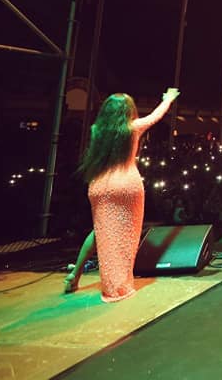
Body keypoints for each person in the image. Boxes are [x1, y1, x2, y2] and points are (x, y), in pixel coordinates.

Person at [64, 88, 179, 301]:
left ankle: (75, 275)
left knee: (100, 231)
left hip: (100, 185)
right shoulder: (132, 128)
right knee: (127, 234)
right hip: (126, 184)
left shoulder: (96, 130)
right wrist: (168, 99)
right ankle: (118, 285)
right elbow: (155, 116)